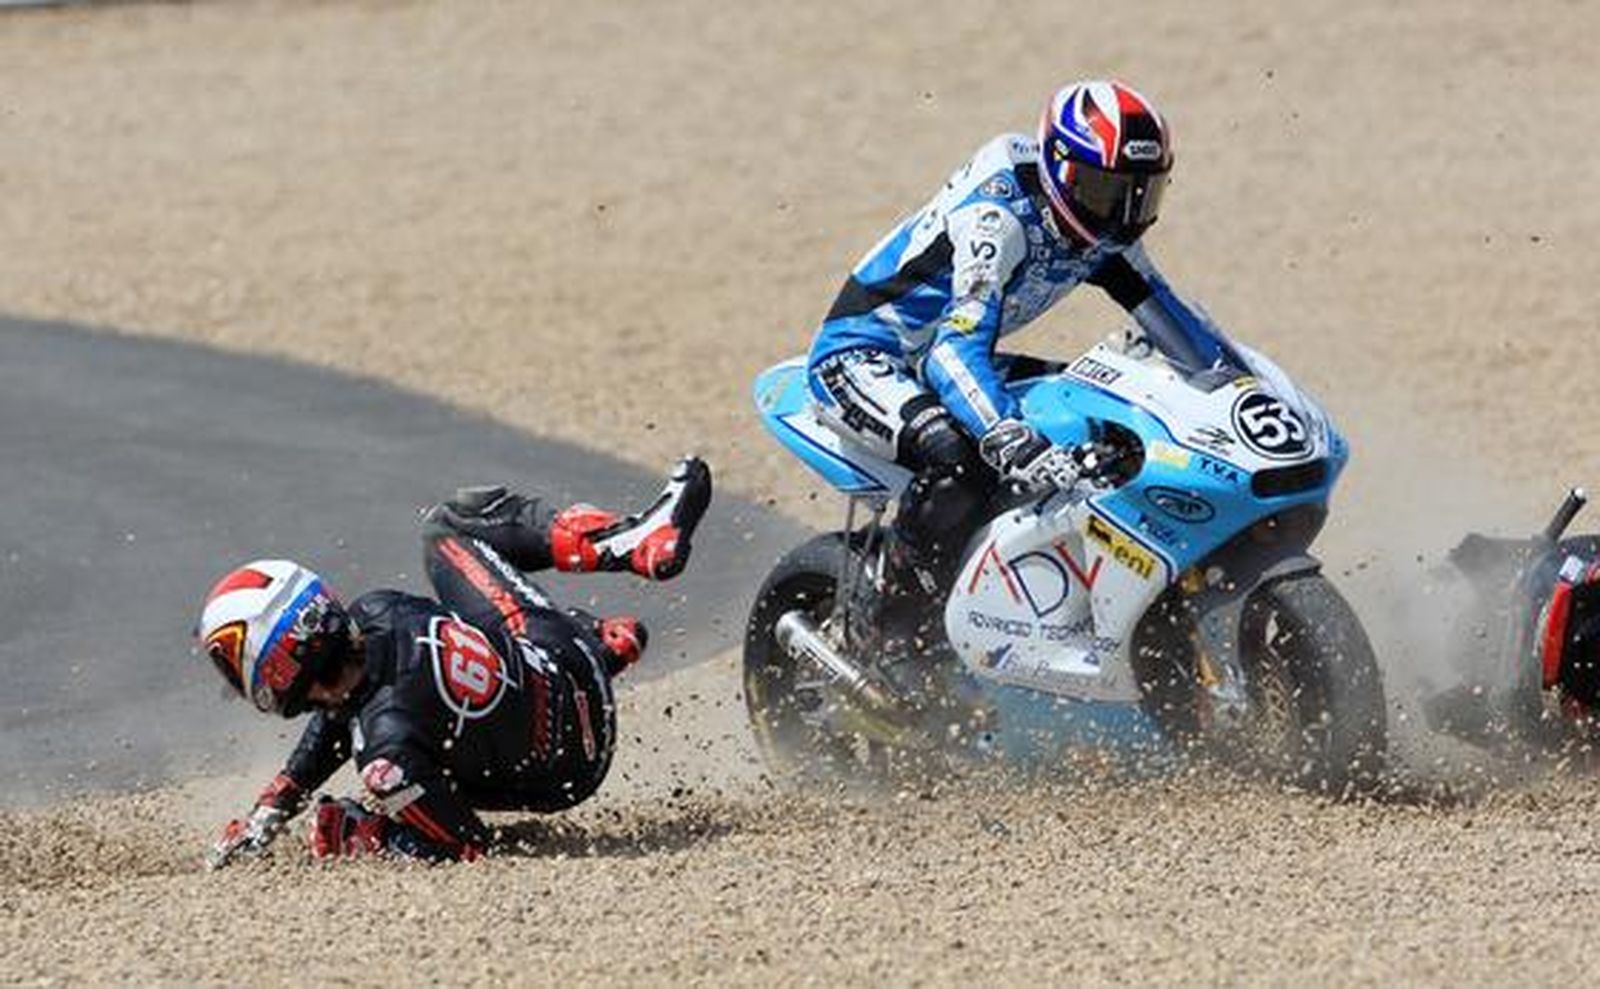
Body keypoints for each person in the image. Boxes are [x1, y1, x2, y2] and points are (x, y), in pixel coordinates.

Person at [806, 79, 1222, 609]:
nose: (1120, 213)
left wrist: (1236, 387)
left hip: (949, 359)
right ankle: (898, 614)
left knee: (1101, 415)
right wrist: (1009, 436)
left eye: (1139, 194)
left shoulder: (1103, 231)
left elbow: (1173, 319)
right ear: (1059, 169)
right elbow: (952, 353)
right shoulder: (998, 216)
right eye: (1104, 190)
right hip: (864, 359)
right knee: (962, 459)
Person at [199, 457, 712, 866]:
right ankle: (624, 557)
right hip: (569, 660)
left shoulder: (385, 753)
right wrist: (280, 798)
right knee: (448, 527)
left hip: (572, 770)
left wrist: (361, 834)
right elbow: (348, 705)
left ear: (281, 661)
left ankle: (603, 635)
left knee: (389, 794)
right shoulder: (380, 609)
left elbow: (467, 846)